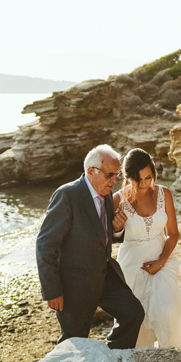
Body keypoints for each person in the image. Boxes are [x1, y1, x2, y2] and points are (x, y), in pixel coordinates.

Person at [36, 144, 145, 349]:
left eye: (116, 175)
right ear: (91, 171)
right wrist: (51, 289)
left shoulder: (105, 195)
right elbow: (45, 243)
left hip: (105, 277)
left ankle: (112, 359)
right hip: (74, 286)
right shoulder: (67, 195)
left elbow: (100, 237)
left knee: (133, 313)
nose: (114, 181)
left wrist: (118, 230)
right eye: (109, 175)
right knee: (74, 342)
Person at [113, 148, 181, 348]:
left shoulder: (165, 194)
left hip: (163, 259)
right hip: (131, 265)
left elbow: (173, 233)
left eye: (148, 177)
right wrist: (116, 228)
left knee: (167, 309)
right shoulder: (118, 200)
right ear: (127, 177)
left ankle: (170, 360)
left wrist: (161, 262)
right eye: (138, 179)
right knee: (137, 321)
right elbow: (107, 237)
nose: (144, 184)